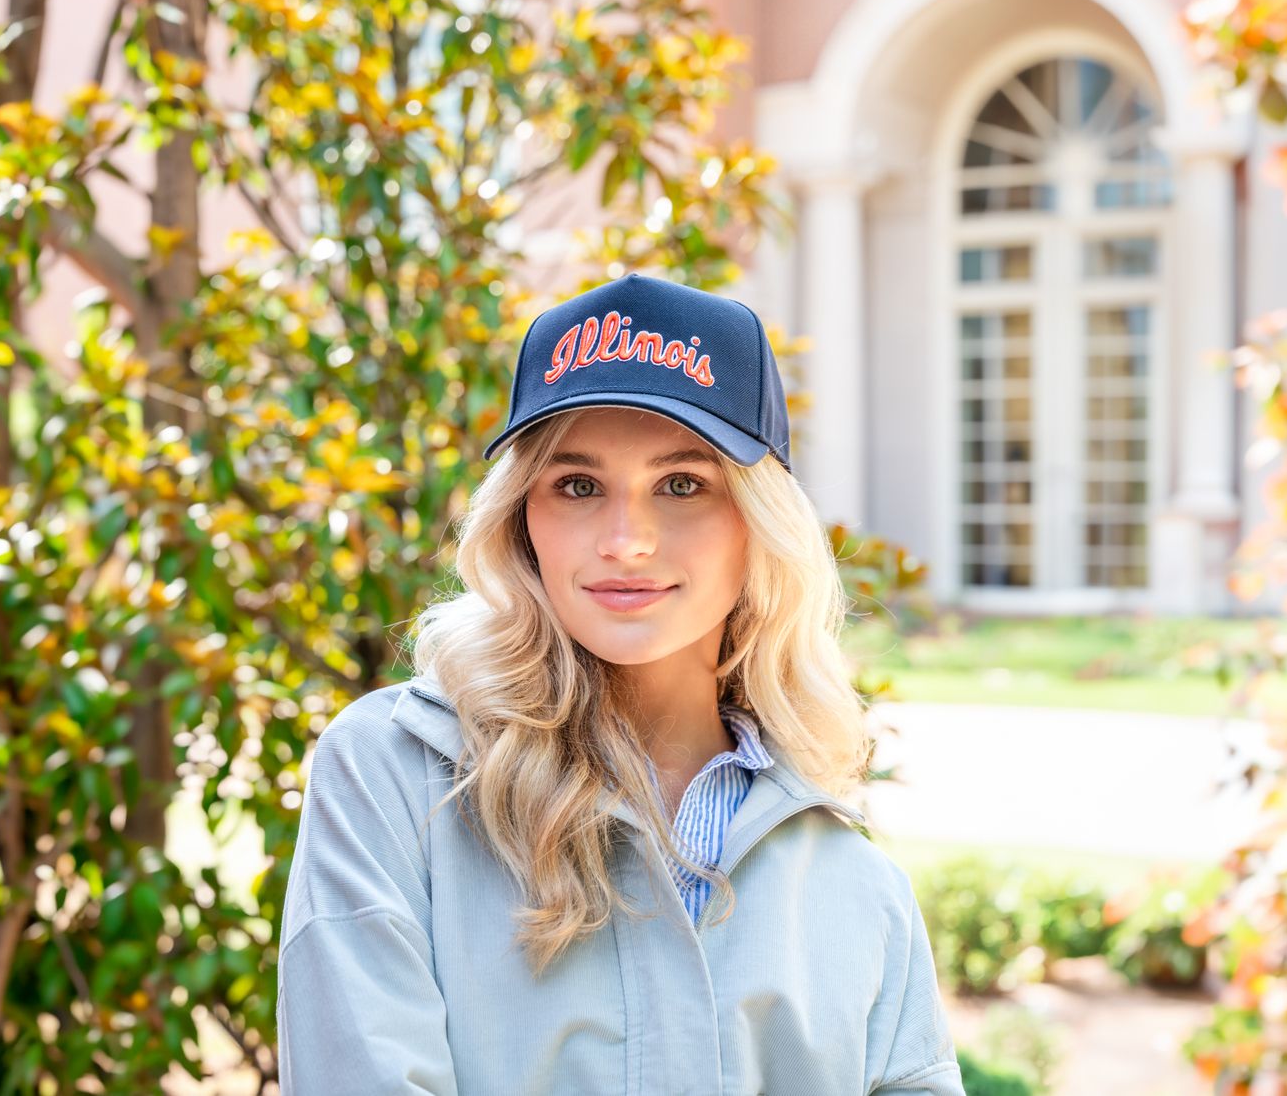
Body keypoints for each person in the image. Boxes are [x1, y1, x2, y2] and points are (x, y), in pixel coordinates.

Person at [275, 272, 966, 1095]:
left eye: (682, 484)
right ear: (521, 519)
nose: (627, 539)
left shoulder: (854, 883)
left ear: (758, 521)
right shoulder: (393, 778)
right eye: (578, 485)